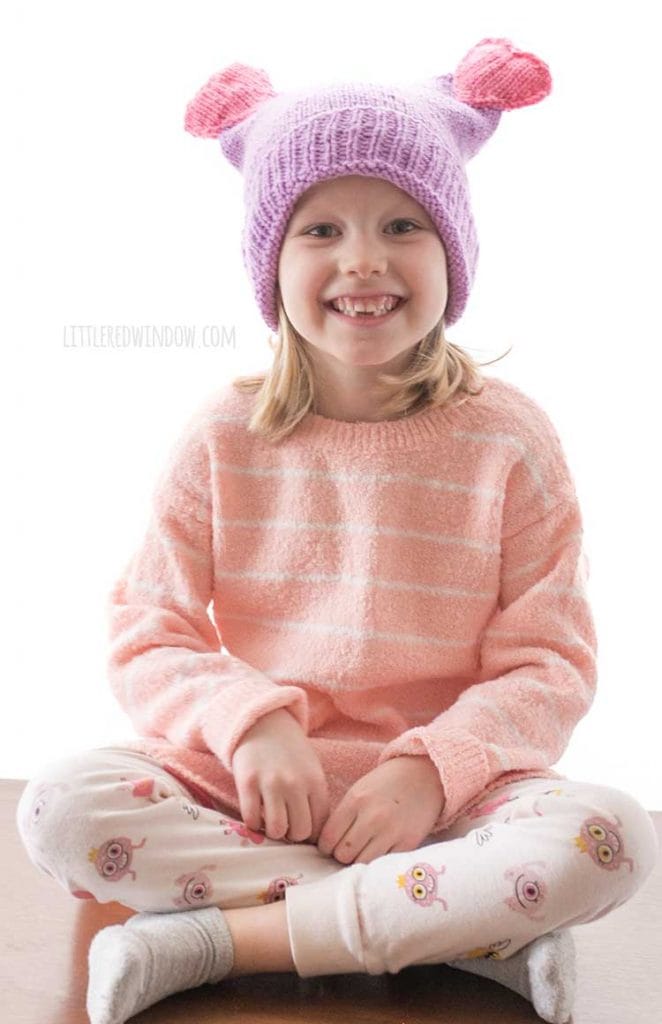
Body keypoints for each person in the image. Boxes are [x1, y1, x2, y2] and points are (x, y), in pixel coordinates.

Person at [15, 38, 659, 1024]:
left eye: (401, 223)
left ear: (453, 249)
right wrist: (251, 722)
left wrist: (424, 770)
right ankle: (462, 934)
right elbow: (150, 630)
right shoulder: (222, 435)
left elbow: (549, 667)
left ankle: (213, 941)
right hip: (260, 799)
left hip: (446, 812)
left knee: (606, 838)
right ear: (271, 262)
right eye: (319, 229)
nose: (362, 258)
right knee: (60, 808)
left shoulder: (510, 442)